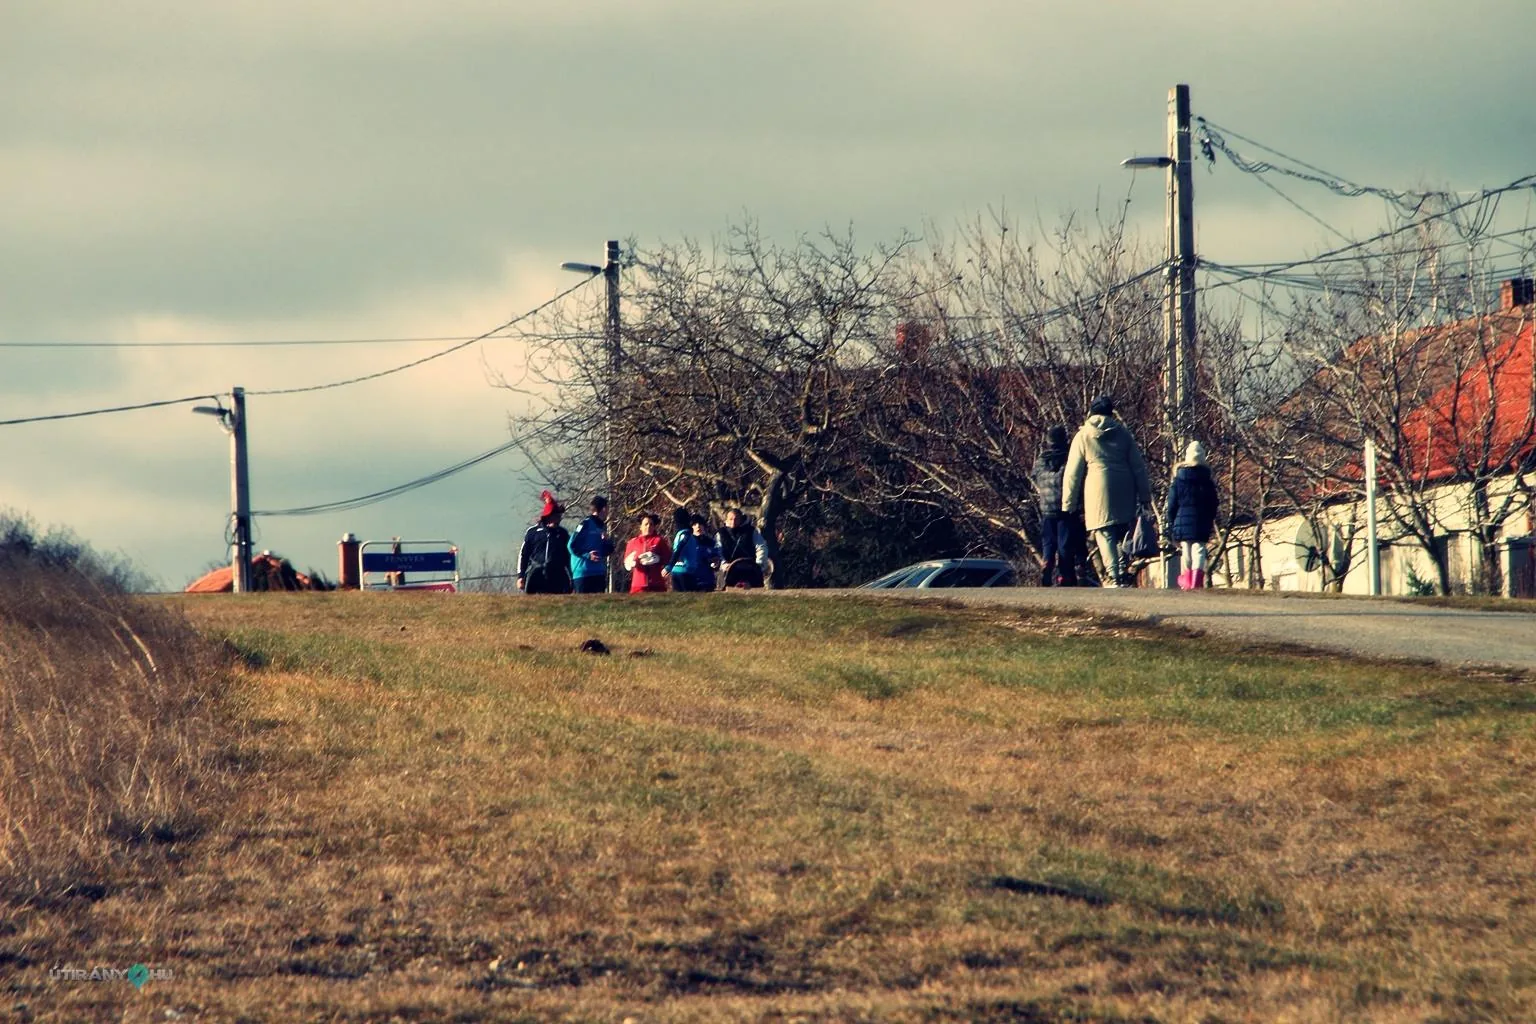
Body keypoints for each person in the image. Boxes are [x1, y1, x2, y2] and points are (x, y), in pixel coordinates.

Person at [1063, 396, 1151, 588]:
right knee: (1121, 532)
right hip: (1124, 485)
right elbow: (1138, 467)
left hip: (1097, 486)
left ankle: (1114, 575)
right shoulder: (1123, 434)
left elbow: (1073, 472)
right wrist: (1145, 496)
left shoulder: (1084, 435)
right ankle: (1121, 569)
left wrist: (1068, 502)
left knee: (1104, 532)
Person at [1164, 440, 1219, 590]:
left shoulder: (1178, 480)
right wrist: (1211, 518)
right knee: (1199, 550)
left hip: (1182, 521)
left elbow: (1172, 504)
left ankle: (1187, 580)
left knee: (1186, 551)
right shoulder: (1207, 481)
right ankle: (1197, 580)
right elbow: (1214, 502)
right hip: (1202, 521)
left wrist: (1171, 521)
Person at [1030, 425, 1075, 586]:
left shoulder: (1042, 460)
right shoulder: (1068, 458)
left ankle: (1047, 562)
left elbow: (1034, 476)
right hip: (1065, 506)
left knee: (1048, 541)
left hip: (1046, 507)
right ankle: (1063, 575)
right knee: (1064, 543)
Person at [518, 490, 573, 594]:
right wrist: (521, 576)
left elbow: (568, 557)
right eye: (555, 516)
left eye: (558, 516)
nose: (558, 519)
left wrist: (571, 577)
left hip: (558, 575)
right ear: (548, 517)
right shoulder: (533, 532)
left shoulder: (563, 534)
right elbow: (524, 555)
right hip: (536, 573)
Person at [568, 495, 614, 594]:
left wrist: (607, 541)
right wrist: (588, 555)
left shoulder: (602, 527)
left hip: (599, 573)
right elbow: (571, 545)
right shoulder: (585, 524)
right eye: (608, 508)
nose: (608, 512)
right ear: (604, 509)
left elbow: (609, 550)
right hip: (583, 574)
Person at [716, 508, 768, 589]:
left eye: (736, 519)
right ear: (726, 520)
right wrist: (723, 564)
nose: (733, 521)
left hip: (750, 570)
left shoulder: (751, 531)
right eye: (731, 519)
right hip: (727, 571)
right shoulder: (720, 533)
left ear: (741, 519)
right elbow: (717, 551)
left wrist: (759, 564)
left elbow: (761, 547)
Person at [622, 512, 673, 593]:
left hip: (656, 584)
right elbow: (626, 562)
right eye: (646, 524)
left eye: (651, 524)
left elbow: (669, 559)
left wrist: (659, 559)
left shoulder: (659, 541)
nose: (648, 526)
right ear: (640, 527)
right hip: (638, 585)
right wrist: (632, 563)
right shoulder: (632, 542)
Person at [669, 514, 720, 592]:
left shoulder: (710, 542)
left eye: (700, 524)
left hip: (706, 581)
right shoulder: (687, 540)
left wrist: (715, 562)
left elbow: (716, 558)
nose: (698, 526)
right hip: (689, 579)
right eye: (695, 524)